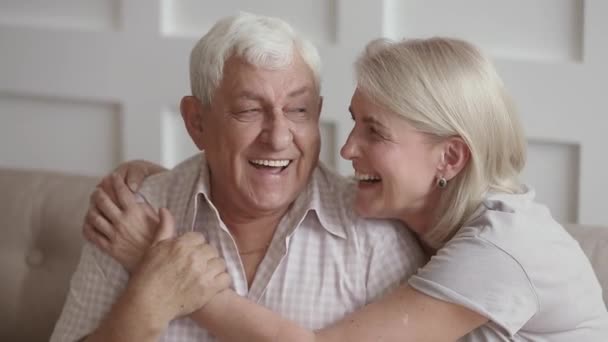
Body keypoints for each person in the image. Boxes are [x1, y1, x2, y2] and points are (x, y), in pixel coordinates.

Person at [87, 37, 608, 341]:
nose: (347, 148)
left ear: (449, 157)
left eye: (374, 132)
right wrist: (171, 179)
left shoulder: (500, 250)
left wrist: (160, 265)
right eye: (353, 121)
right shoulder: (440, 220)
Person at [50, 12, 425, 342]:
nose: (278, 138)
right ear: (197, 122)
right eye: (248, 111)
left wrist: (157, 264)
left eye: (298, 110)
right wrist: (147, 302)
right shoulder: (129, 217)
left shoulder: (374, 235)